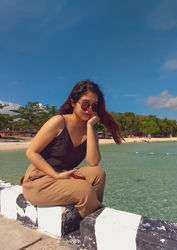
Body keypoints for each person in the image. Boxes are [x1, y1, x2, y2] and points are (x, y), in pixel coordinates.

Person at [22, 80, 123, 221]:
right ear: (73, 102)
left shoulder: (90, 129)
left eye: (94, 106)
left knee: (98, 173)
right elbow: (31, 152)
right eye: (85, 104)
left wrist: (90, 127)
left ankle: (89, 215)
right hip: (39, 181)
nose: (89, 109)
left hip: (64, 176)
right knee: (84, 190)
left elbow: (93, 162)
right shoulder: (59, 121)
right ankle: (92, 223)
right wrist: (55, 175)